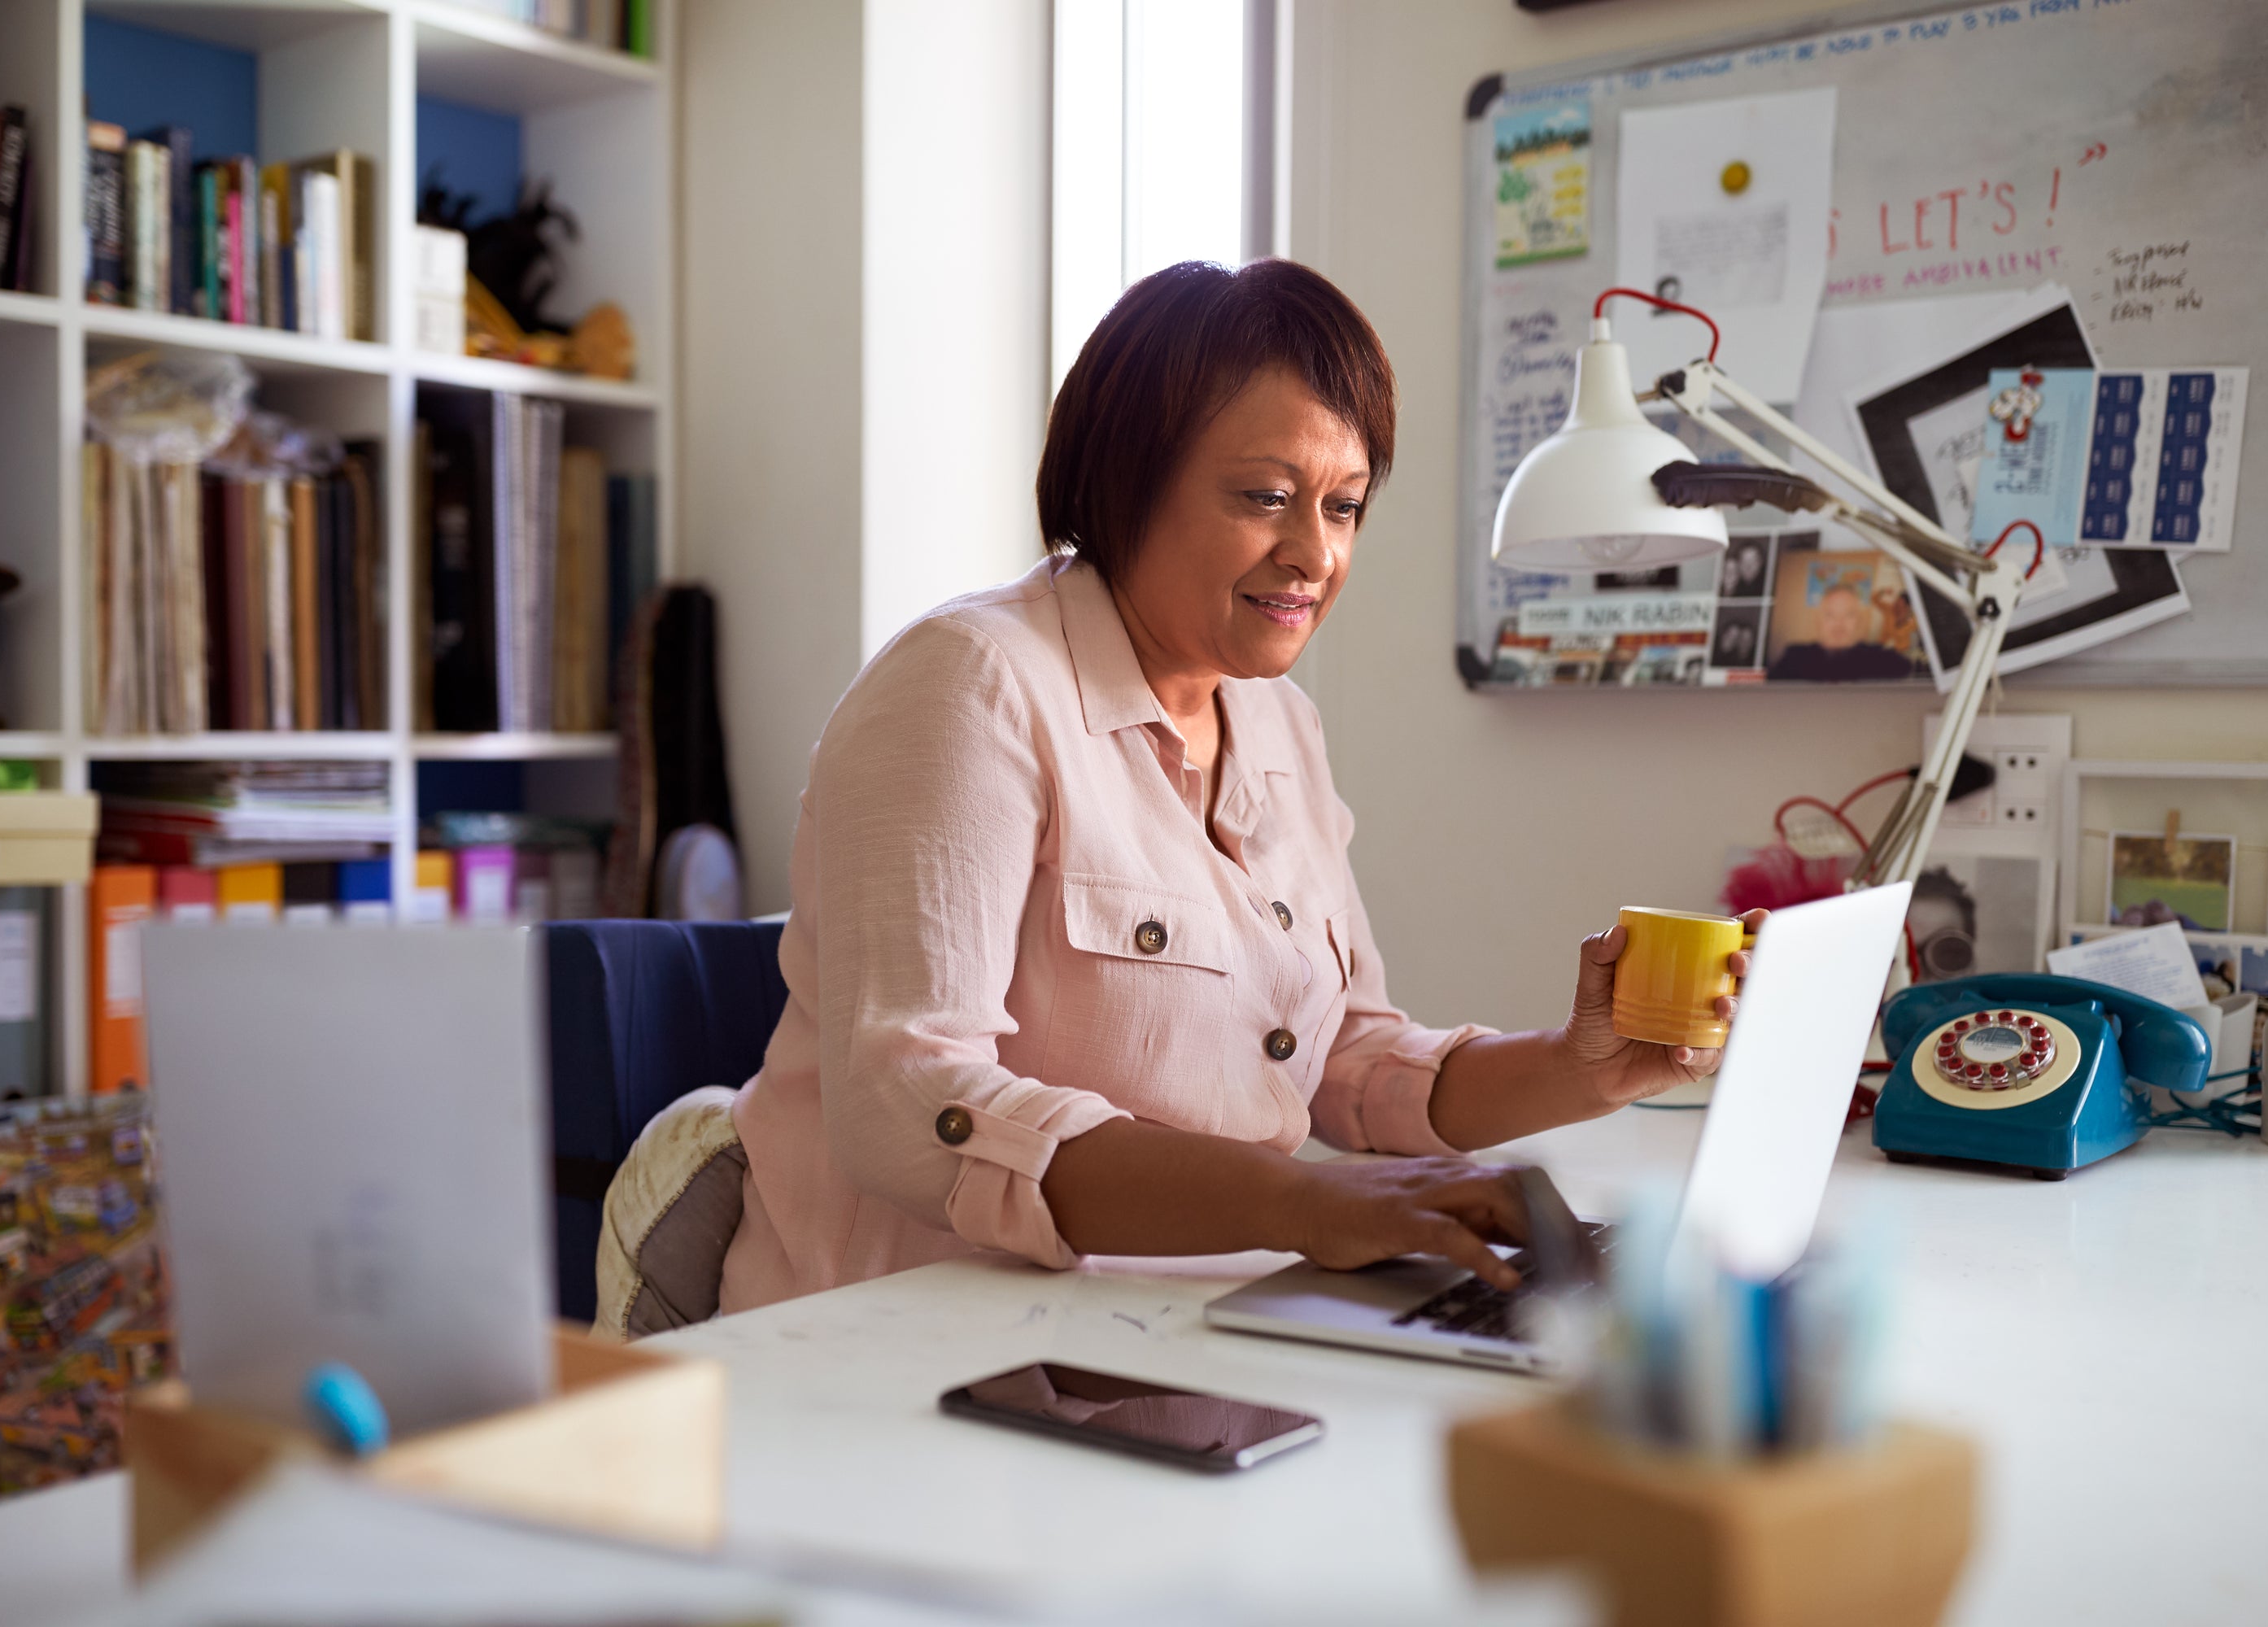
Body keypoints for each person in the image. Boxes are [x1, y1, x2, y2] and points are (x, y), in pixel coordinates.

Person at [716, 260, 1758, 1315]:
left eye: (1344, 506)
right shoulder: (969, 686)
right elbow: (910, 1104)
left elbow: (1345, 1060)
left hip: (1186, 1322)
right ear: (1127, 480)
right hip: (904, 1340)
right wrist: (1298, 1202)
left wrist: (1581, 1068)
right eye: (1267, 497)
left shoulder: (1275, 723)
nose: (1314, 552)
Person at [1767, 582, 1913, 682]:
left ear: (1860, 622)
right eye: (1830, 615)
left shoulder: (1884, 660)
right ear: (1818, 622)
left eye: (1849, 615)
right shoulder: (1795, 657)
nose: (1839, 624)